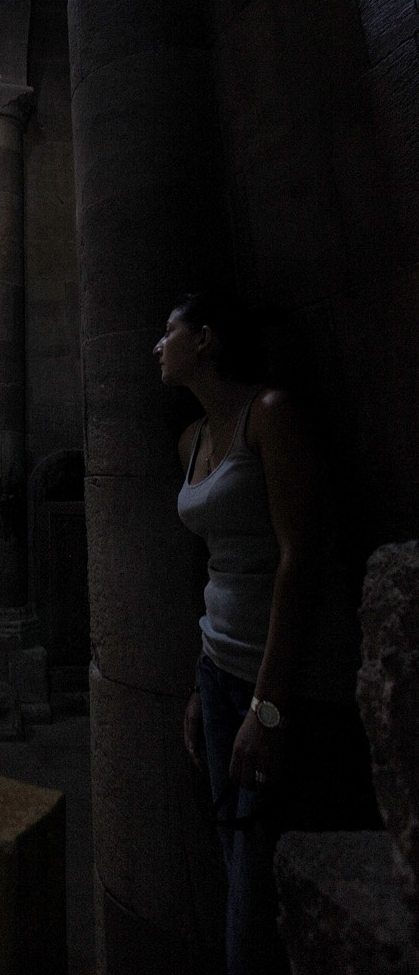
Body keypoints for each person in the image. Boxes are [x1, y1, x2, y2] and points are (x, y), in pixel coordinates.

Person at [154, 291, 369, 975]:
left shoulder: (268, 416)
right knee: (234, 845)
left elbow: (299, 558)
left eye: (170, 333)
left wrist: (268, 708)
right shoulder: (192, 440)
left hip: (282, 679)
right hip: (220, 669)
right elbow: (214, 565)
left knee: (260, 862)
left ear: (207, 339)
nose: (158, 347)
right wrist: (199, 681)